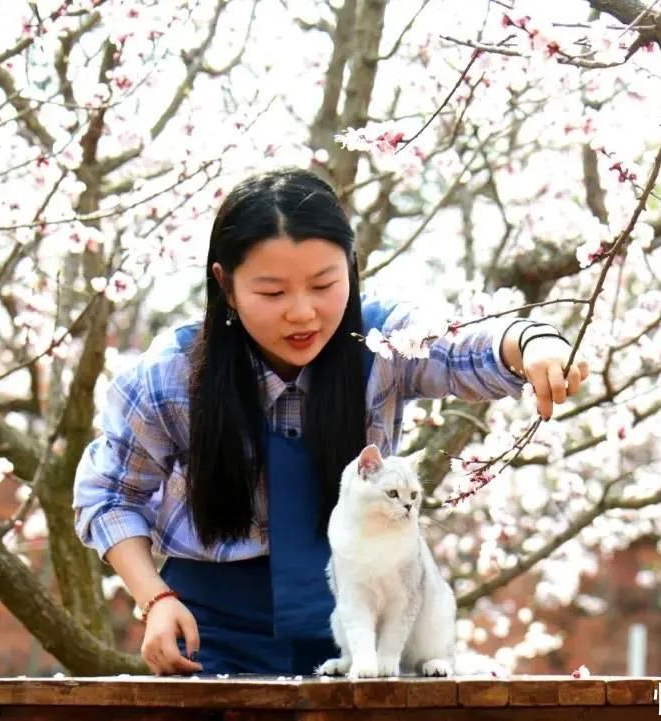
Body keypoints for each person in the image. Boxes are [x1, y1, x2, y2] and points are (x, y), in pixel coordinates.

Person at [73, 168, 589, 676]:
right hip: (213, 630)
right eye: (272, 293)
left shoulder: (385, 342)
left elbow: (463, 349)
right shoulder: (171, 374)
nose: (303, 314)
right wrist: (155, 598)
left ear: (352, 267)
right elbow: (111, 495)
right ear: (225, 286)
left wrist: (534, 343)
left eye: (324, 284)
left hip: (365, 613)